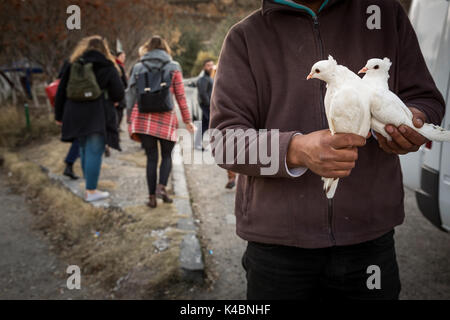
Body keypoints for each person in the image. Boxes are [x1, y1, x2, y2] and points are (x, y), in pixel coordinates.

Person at [209, 0, 445, 300]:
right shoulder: (245, 37)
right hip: (278, 247)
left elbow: (426, 98)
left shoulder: (385, 14)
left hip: (369, 238)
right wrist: (294, 149)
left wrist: (411, 120)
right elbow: (223, 142)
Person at [126, 36, 195, 208]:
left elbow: (130, 95)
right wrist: (187, 120)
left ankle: (151, 198)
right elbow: (180, 96)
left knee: (151, 158)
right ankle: (162, 188)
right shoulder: (173, 67)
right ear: (165, 49)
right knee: (166, 156)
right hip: (166, 117)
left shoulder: (138, 67)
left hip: (143, 118)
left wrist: (129, 118)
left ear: (147, 48)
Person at [55, 35, 125, 202]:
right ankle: (91, 191)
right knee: (95, 150)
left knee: (84, 148)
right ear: (104, 49)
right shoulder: (107, 65)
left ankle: (89, 186)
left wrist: (59, 115)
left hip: (74, 112)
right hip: (97, 113)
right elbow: (119, 93)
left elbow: (60, 91)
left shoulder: (72, 64)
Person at [195, 59, 214, 151]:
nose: (210, 67)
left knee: (204, 125)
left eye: (211, 65)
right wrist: (209, 105)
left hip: (208, 105)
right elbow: (203, 93)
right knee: (210, 124)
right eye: (208, 65)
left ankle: (197, 144)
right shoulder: (203, 79)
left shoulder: (210, 78)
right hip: (206, 105)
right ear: (204, 67)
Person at [115, 51, 128, 130]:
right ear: (117, 57)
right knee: (119, 111)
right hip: (119, 92)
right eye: (122, 57)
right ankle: (117, 126)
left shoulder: (117, 65)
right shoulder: (119, 66)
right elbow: (124, 82)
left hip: (117, 92)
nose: (124, 59)